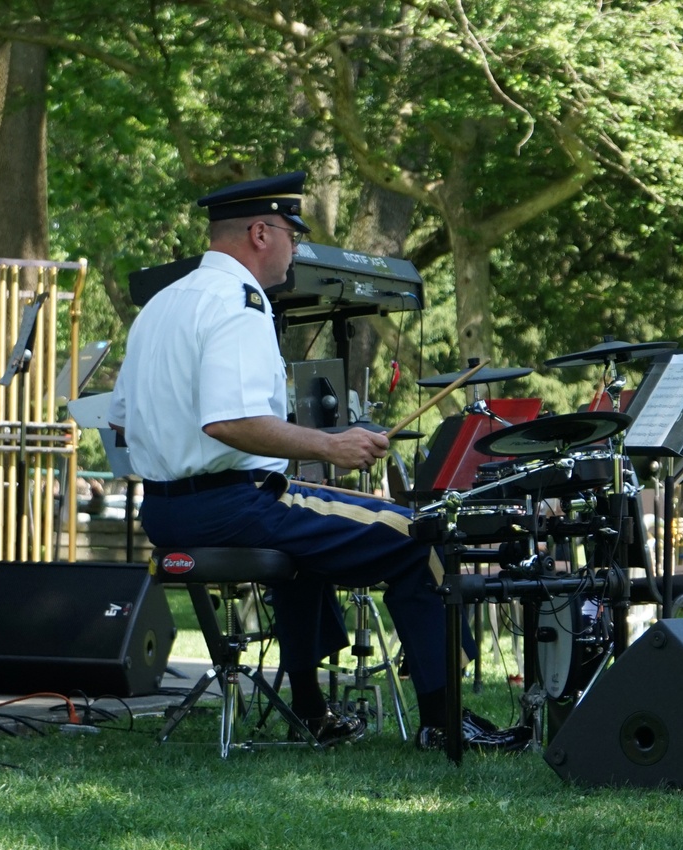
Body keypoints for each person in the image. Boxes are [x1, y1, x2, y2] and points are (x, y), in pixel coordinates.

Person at [108, 171, 527, 751]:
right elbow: (228, 422)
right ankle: (444, 719)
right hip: (233, 504)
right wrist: (331, 445)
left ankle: (309, 709)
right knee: (418, 535)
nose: (296, 249)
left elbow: (122, 420)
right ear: (260, 232)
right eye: (291, 234)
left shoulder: (161, 305)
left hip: (164, 511)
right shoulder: (239, 303)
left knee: (306, 554)